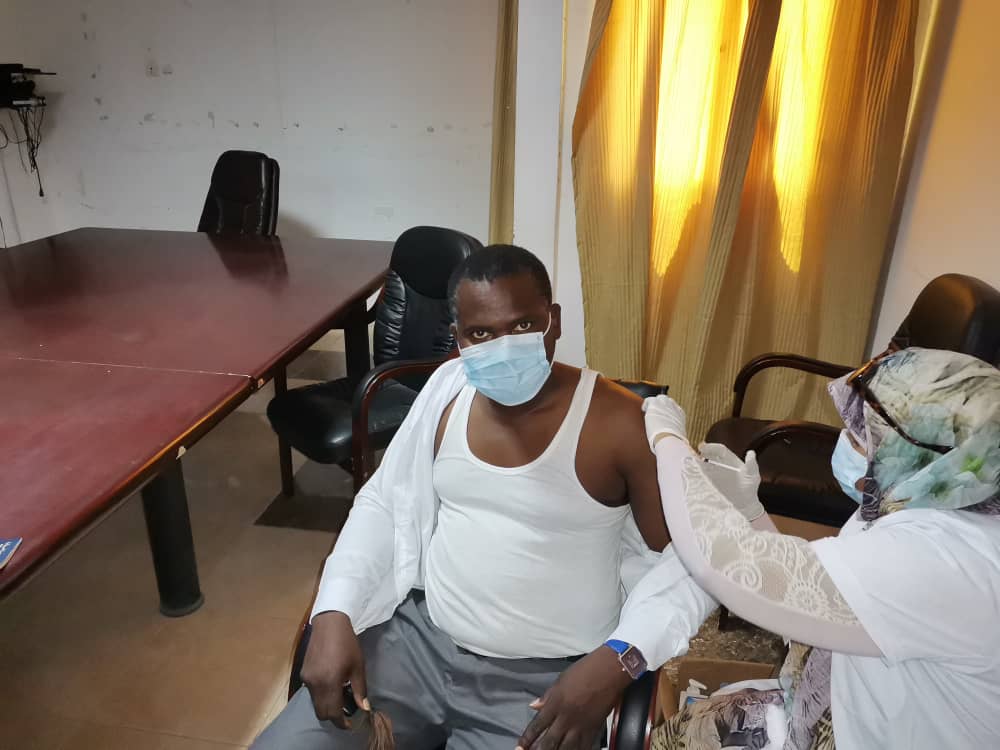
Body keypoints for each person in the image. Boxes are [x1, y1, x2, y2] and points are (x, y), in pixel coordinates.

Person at [253, 245, 715, 750]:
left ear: (554, 321)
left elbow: (693, 561)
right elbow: (384, 502)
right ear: (458, 339)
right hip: (416, 647)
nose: (503, 347)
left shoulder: (621, 423)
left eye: (522, 326)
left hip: (545, 686)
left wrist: (617, 661)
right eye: (481, 334)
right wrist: (333, 610)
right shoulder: (447, 390)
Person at [643, 347, 1000, 749]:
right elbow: (820, 595)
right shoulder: (925, 500)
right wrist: (750, 511)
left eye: (862, 438)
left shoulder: (943, 561)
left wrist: (668, 440)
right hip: (842, 700)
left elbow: (726, 564)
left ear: (918, 455)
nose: (846, 443)